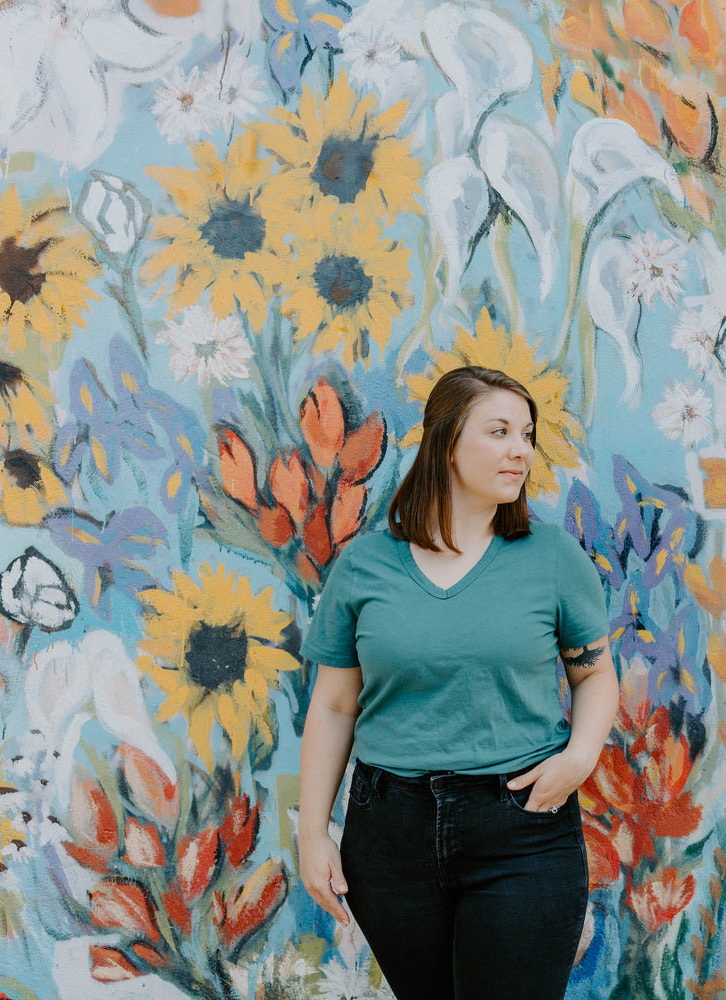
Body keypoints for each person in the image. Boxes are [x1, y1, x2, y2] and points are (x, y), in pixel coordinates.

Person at [296, 365, 618, 1000]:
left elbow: (595, 675)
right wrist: (312, 836)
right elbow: (333, 707)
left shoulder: (552, 559)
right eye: (499, 432)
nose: (520, 450)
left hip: (522, 829)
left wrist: (580, 757)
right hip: (388, 838)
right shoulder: (365, 564)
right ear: (445, 442)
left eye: (526, 435)